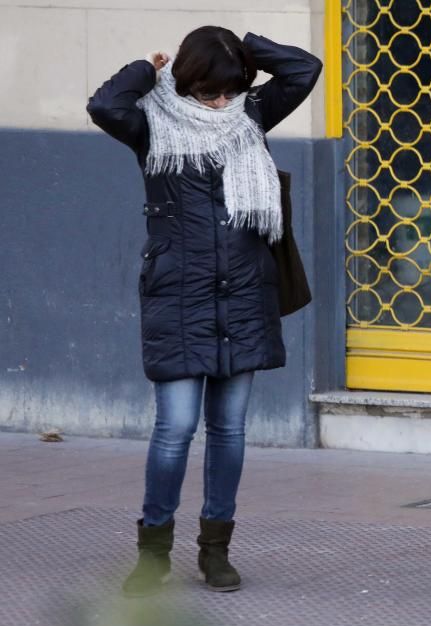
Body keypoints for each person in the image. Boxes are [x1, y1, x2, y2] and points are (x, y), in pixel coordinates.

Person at [86, 27, 322, 597]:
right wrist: (147, 68)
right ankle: (153, 552)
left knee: (229, 432)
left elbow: (305, 68)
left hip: (242, 294)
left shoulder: (252, 114)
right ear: (186, 81)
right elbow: (103, 105)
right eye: (208, 92)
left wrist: (246, 47)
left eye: (229, 90)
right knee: (175, 429)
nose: (221, 104)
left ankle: (216, 551)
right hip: (179, 296)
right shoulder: (151, 124)